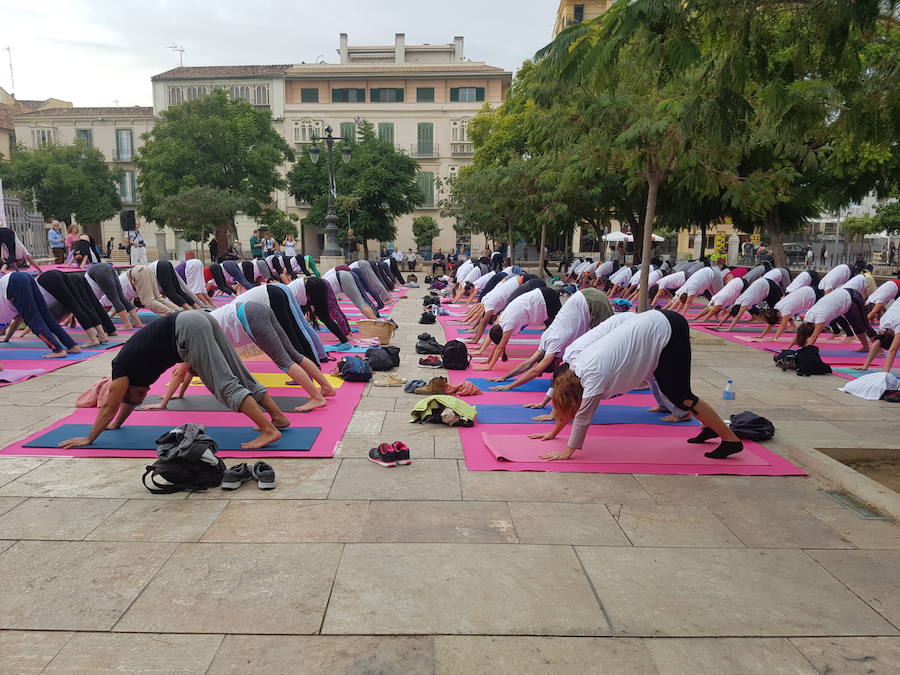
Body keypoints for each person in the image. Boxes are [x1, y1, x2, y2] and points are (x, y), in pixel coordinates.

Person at [58, 311, 290, 450]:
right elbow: (128, 403)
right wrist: (117, 424)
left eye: (139, 394)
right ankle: (278, 417)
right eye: (142, 396)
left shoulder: (120, 370)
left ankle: (268, 429)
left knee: (224, 384)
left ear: (126, 389)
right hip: (198, 318)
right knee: (240, 375)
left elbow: (111, 404)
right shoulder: (134, 381)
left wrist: (90, 437)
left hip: (187, 327)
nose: (145, 392)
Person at [530, 310, 742, 461]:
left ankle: (730, 439)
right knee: (671, 391)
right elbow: (573, 406)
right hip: (654, 326)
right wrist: (554, 432)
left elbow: (583, 415)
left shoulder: (593, 375)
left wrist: (568, 450)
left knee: (681, 396)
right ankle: (710, 428)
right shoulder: (576, 368)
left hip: (668, 329)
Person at [487, 289, 614, 391]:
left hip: (592, 301)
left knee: (608, 342)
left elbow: (536, 370)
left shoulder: (553, 343)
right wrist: (505, 377)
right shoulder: (545, 340)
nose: (558, 363)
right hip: (583, 297)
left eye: (555, 364)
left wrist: (509, 386)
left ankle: (621, 378)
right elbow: (529, 362)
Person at [473, 287, 563, 371]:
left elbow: (500, 347)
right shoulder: (501, 321)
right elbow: (499, 345)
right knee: (554, 332)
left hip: (546, 299)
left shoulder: (508, 323)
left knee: (558, 332)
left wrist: (489, 366)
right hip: (542, 297)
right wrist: (488, 360)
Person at [0, 272, 82, 358]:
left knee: (33, 322)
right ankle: (72, 346)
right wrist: (7, 338)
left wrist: (7, 337)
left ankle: (58, 350)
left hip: (13, 283)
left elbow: (17, 320)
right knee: (46, 316)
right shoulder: (5, 314)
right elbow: (16, 320)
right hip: (22, 277)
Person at [790, 286, 876, 352]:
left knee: (864, 324)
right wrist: (788, 348)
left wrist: (805, 353)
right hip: (843, 300)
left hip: (852, 297)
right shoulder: (807, 318)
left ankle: (878, 349)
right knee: (855, 324)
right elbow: (799, 334)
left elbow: (813, 337)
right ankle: (865, 347)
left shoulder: (820, 317)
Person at [86, 262, 144, 329]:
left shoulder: (85, 299)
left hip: (98, 272)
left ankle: (127, 324)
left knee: (115, 299)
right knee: (121, 297)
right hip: (107, 268)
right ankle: (137, 322)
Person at [861, 300, 900, 371]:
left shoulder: (885, 324)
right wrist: (865, 365)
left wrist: (885, 371)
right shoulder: (883, 323)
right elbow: (878, 343)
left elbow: (893, 349)